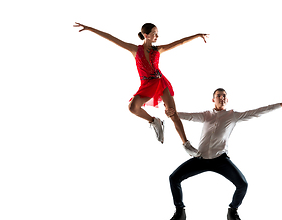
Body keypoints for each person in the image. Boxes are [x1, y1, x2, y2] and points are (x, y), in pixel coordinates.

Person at [164, 88, 282, 220]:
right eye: (218, 96)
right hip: (200, 159)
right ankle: (180, 213)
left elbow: (257, 112)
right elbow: (187, 116)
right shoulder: (206, 115)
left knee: (242, 184)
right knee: (174, 178)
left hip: (220, 160)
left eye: (224, 96)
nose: (221, 98)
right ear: (213, 99)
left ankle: (232, 212)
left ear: (227, 100)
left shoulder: (232, 116)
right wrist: (172, 113)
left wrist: (280, 105)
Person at [73, 22, 208, 156]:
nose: (157, 36)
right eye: (154, 33)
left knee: (173, 113)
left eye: (157, 33)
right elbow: (110, 37)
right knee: (133, 107)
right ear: (146, 35)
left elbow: (180, 42)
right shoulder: (134, 49)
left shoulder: (158, 49)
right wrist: (90, 28)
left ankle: (186, 145)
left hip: (160, 82)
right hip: (146, 84)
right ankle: (154, 121)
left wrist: (197, 35)